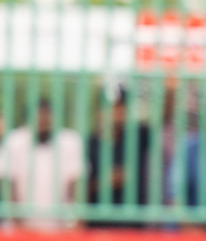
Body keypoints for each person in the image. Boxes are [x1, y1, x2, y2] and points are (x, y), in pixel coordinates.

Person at [0, 97, 85, 231]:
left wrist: (74, 226)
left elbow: (77, 189)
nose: (43, 120)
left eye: (47, 114)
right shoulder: (14, 141)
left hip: (59, 230)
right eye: (39, 115)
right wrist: (20, 228)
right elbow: (8, 187)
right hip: (18, 231)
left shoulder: (70, 142)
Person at [86, 86, 153, 226]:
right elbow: (81, 190)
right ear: (99, 112)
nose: (117, 113)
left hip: (133, 226)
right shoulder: (90, 144)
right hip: (99, 225)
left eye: (121, 107)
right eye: (111, 107)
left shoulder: (139, 136)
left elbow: (160, 118)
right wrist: (105, 182)